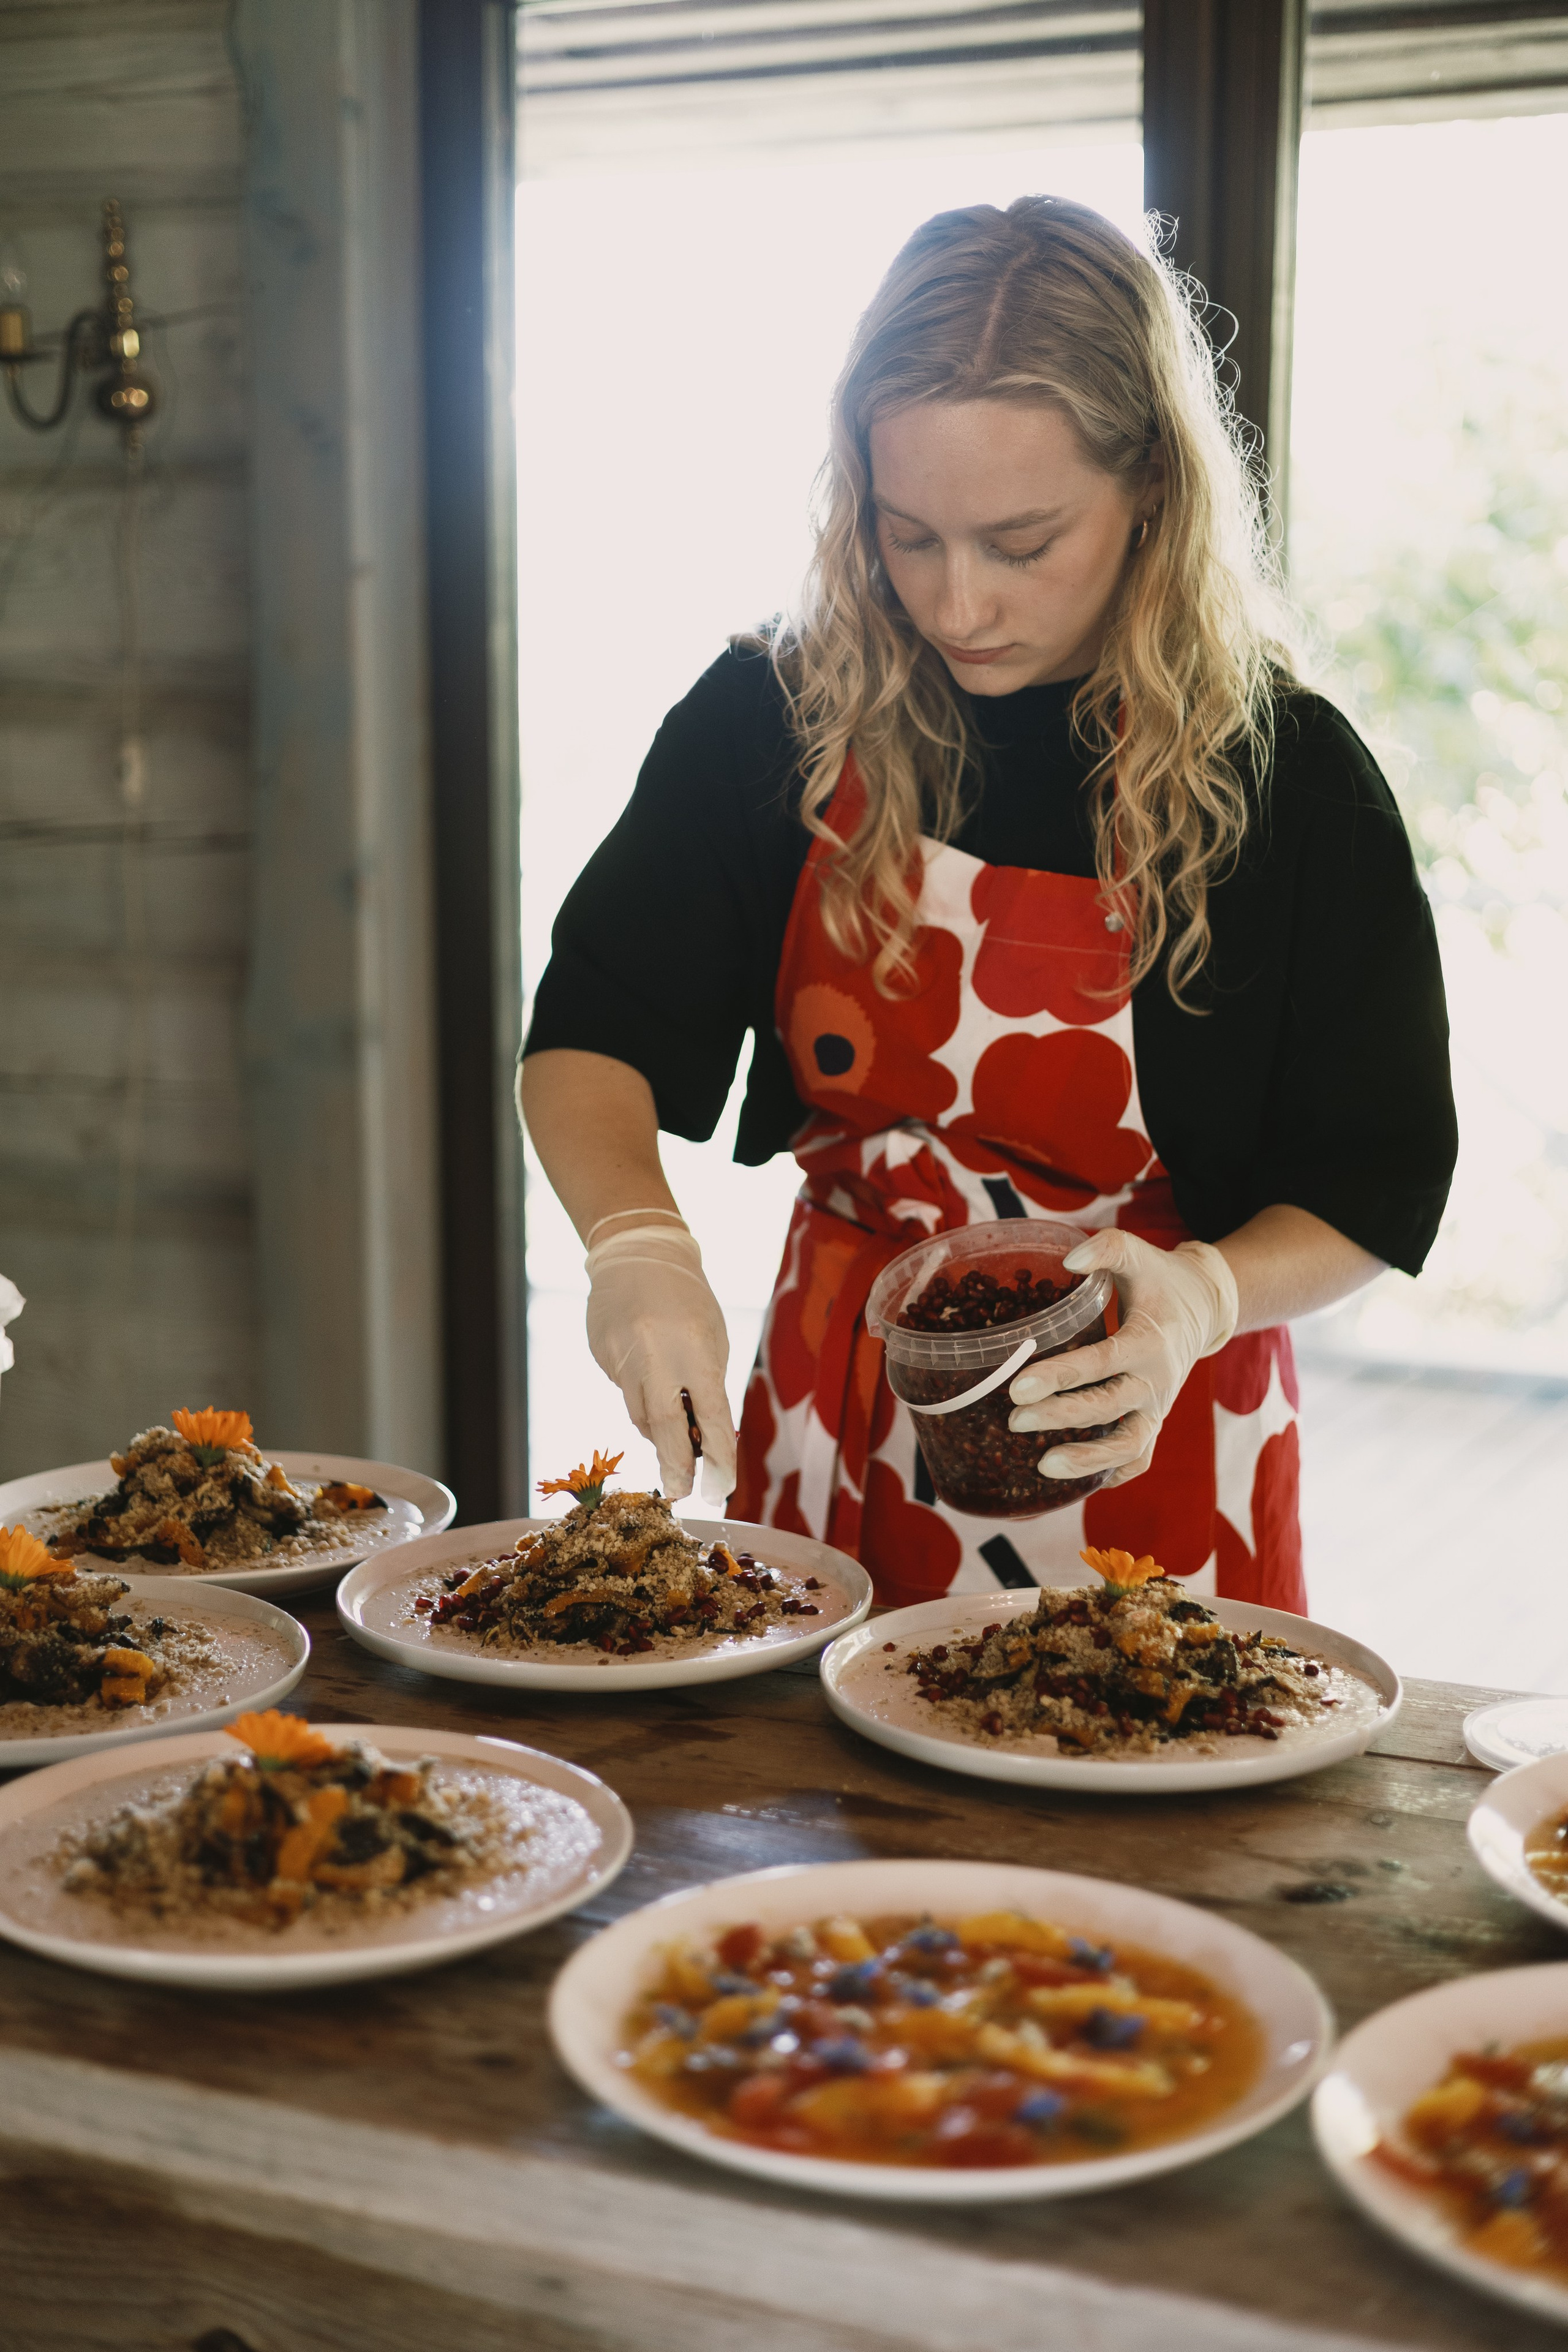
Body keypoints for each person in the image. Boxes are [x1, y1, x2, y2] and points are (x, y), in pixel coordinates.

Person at [520, 197, 1456, 1612]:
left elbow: (1368, 1178)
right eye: (909, 538)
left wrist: (1200, 1297)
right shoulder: (770, 719)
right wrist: (634, 1247)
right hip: (840, 1409)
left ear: (1149, 487)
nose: (957, 606)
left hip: (1138, 1408)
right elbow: (593, 1030)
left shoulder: (1286, 776)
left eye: (1021, 543)